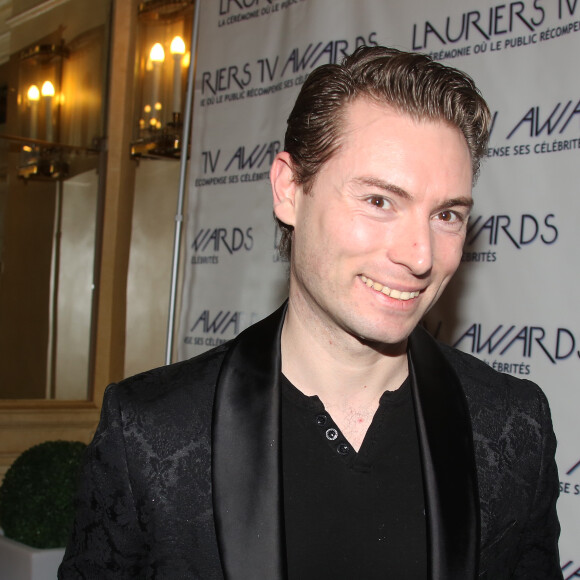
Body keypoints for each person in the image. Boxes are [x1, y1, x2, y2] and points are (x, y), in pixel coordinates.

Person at [59, 46, 562, 580]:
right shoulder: (151, 430)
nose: (420, 255)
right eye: (379, 201)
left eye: (446, 214)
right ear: (289, 189)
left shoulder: (514, 425)